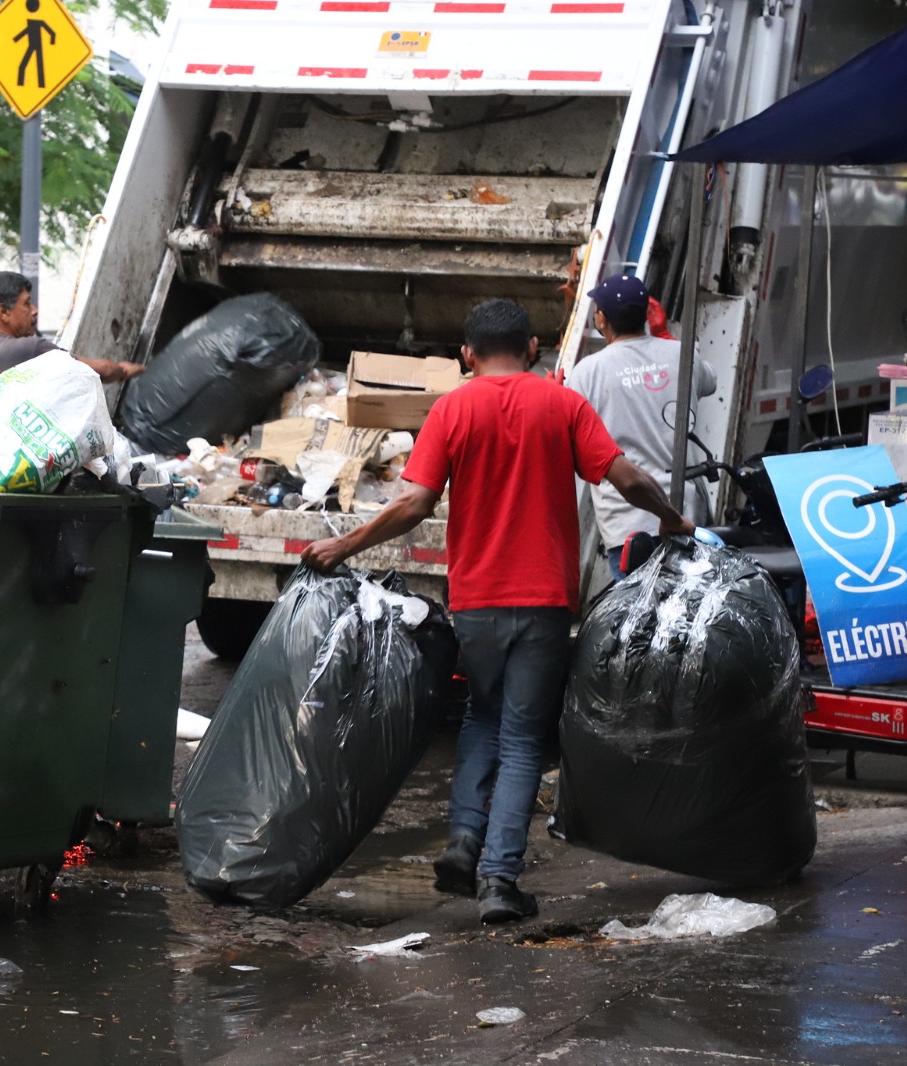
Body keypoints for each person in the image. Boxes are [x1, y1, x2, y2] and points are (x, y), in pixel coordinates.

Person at [301, 299, 692, 925]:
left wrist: (343, 543)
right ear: (532, 347)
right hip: (541, 602)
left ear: (467, 355)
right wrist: (671, 519)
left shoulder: (452, 408)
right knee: (520, 738)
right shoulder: (561, 403)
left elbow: (414, 504)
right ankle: (499, 879)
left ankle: (462, 843)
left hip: (475, 600)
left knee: (483, 718)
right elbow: (623, 476)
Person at [568, 274, 717, 580]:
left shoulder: (587, 373)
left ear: (602, 319)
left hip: (628, 525)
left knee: (641, 620)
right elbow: (709, 382)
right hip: (686, 514)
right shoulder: (681, 354)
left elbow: (567, 428)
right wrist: (663, 340)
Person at [0, 271, 145, 384]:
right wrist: (123, 369)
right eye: (26, 304)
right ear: (4, 312)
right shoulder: (29, 348)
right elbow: (100, 370)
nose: (34, 311)